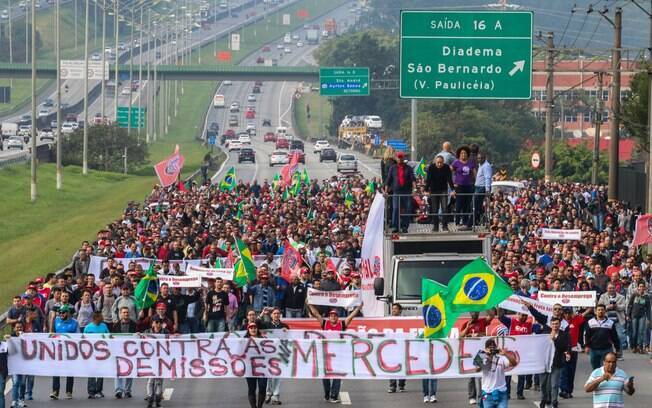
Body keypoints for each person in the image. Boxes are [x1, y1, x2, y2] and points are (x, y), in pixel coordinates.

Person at [307, 303, 362, 403]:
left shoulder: (342, 324)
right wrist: (309, 304)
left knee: (337, 375)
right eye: (331, 315)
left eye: (335, 315)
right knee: (325, 376)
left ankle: (334, 395)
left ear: (337, 317)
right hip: (325, 355)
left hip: (338, 355)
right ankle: (327, 393)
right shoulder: (324, 324)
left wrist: (358, 308)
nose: (333, 317)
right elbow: (315, 313)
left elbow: (351, 316)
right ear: (329, 317)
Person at [472, 338, 517, 408]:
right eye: (489, 347)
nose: (492, 349)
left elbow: (514, 363)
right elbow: (476, 369)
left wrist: (505, 354)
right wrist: (485, 355)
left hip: (501, 393)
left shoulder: (501, 358)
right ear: (486, 348)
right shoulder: (482, 356)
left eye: (493, 347)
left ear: (496, 348)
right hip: (487, 393)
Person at [460, 311, 493, 405]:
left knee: (480, 377)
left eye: (476, 313)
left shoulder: (483, 321)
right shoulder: (466, 324)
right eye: (473, 313)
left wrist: (486, 304)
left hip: (481, 353)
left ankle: (481, 396)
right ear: (470, 313)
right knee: (471, 376)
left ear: (478, 313)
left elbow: (491, 316)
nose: (475, 314)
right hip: (470, 353)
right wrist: (467, 330)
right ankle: (472, 397)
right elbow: (461, 336)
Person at [538, 317, 571, 408]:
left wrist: (554, 340)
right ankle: (543, 399)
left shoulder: (564, 335)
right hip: (544, 363)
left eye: (557, 324)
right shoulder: (545, 334)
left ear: (560, 324)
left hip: (556, 363)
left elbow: (564, 347)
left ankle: (554, 401)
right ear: (550, 324)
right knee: (543, 384)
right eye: (553, 324)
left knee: (554, 384)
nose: (555, 326)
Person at [261, 308, 289, 405]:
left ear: (280, 315)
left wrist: (287, 332)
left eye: (278, 313)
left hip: (279, 353)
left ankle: (275, 396)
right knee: (268, 375)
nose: (276, 315)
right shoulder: (266, 325)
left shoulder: (285, 326)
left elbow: (289, 340)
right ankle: (268, 393)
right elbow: (256, 325)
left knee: (278, 375)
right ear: (271, 315)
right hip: (268, 354)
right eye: (274, 313)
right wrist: (262, 314)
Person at [50, 304, 79, 400]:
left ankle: (69, 391)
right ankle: (55, 391)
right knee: (56, 370)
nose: (61, 314)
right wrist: (52, 320)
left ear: (68, 313)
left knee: (69, 371)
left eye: (63, 312)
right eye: (60, 312)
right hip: (58, 350)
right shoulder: (57, 320)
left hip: (70, 351)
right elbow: (51, 334)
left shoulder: (75, 322)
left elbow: (78, 336)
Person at [384, 151, 416, 233]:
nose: (400, 159)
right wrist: (386, 191)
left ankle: (405, 226)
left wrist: (414, 189)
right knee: (395, 209)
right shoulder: (392, 168)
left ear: (404, 158)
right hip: (396, 192)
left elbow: (413, 179)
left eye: (401, 157)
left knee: (407, 209)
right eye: (398, 157)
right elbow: (388, 180)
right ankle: (395, 227)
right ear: (396, 158)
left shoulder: (409, 168)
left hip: (407, 192)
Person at [584, 304, 621, 370]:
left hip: (607, 349)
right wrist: (586, 346)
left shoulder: (610, 323)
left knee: (607, 369)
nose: (600, 311)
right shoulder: (590, 322)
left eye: (602, 310)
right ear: (595, 311)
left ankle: (606, 380)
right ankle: (597, 380)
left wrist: (617, 349)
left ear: (605, 311)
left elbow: (615, 337)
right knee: (595, 369)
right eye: (599, 310)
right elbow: (586, 335)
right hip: (594, 350)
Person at [111, 307, 137, 399]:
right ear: (120, 314)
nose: (126, 314)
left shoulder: (134, 325)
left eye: (127, 312)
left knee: (130, 371)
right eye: (124, 312)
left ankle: (127, 391)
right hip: (119, 350)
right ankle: (118, 390)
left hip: (130, 352)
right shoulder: (115, 325)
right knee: (118, 371)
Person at [83, 311, 110, 399]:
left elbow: (109, 337)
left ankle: (99, 390)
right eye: (101, 317)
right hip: (91, 353)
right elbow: (83, 340)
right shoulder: (88, 328)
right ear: (96, 318)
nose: (102, 318)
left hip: (102, 353)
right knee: (91, 372)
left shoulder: (104, 326)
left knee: (100, 372)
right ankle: (91, 391)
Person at [425, 155, 454, 232]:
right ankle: (435, 226)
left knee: (444, 208)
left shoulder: (446, 167)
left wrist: (453, 190)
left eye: (441, 163)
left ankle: (445, 226)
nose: (439, 164)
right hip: (434, 190)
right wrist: (426, 190)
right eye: (438, 163)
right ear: (435, 162)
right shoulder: (431, 167)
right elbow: (428, 179)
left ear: (443, 162)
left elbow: (449, 179)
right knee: (435, 209)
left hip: (443, 190)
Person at [451, 146, 477, 229]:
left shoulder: (471, 163)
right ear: (459, 154)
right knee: (459, 205)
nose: (463, 155)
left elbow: (475, 174)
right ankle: (457, 221)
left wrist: (475, 183)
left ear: (467, 154)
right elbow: (449, 172)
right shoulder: (456, 162)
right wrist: (453, 183)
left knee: (467, 205)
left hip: (468, 186)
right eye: (462, 153)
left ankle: (465, 222)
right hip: (459, 186)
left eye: (465, 153)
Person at [598, 284, 627, 357]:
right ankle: (607, 354)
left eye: (613, 288)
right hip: (606, 321)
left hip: (618, 320)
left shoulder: (621, 297)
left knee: (619, 337)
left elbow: (623, 307)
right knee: (606, 338)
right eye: (609, 288)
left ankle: (619, 354)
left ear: (615, 289)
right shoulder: (602, 296)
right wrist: (608, 307)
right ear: (606, 289)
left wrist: (616, 306)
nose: (611, 289)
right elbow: (600, 306)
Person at [145, 316, 168, 408]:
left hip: (161, 360)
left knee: (158, 381)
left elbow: (171, 341)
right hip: (151, 359)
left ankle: (157, 400)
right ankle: (150, 399)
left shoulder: (165, 332)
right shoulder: (147, 332)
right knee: (151, 380)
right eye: (156, 322)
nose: (158, 324)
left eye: (159, 322)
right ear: (152, 323)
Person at [244, 322, 268, 408]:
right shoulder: (244, 340)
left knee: (262, 388)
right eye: (251, 328)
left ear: (257, 329)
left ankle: (259, 406)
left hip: (263, 368)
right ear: (248, 329)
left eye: (255, 327)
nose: (253, 329)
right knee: (252, 388)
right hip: (250, 368)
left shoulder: (264, 339)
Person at [626, 282, 651, 353]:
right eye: (640, 286)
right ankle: (634, 346)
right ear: (638, 287)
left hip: (642, 316)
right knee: (634, 332)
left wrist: (649, 318)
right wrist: (628, 315)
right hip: (634, 315)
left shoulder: (646, 297)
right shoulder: (634, 295)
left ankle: (640, 347)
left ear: (645, 288)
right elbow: (630, 305)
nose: (641, 288)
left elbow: (648, 308)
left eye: (643, 286)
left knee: (641, 332)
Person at [387, 303, 406, 394]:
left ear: (400, 311)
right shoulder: (388, 320)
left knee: (401, 366)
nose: (393, 310)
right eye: (392, 308)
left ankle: (401, 385)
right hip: (391, 347)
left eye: (395, 309)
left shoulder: (404, 321)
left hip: (401, 346)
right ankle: (392, 386)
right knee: (392, 367)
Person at [470, 152, 492, 227]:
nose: (480, 159)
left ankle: (470, 224)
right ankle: (477, 221)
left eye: (481, 158)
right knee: (476, 206)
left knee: (474, 205)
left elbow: (487, 178)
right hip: (478, 187)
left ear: (485, 158)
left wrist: (487, 190)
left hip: (482, 188)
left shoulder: (486, 166)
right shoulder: (480, 165)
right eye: (478, 158)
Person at [0, 333, 7, 408]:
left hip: (1, 373)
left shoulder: (4, 345)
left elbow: (14, 352)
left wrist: (10, 341)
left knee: (1, 393)